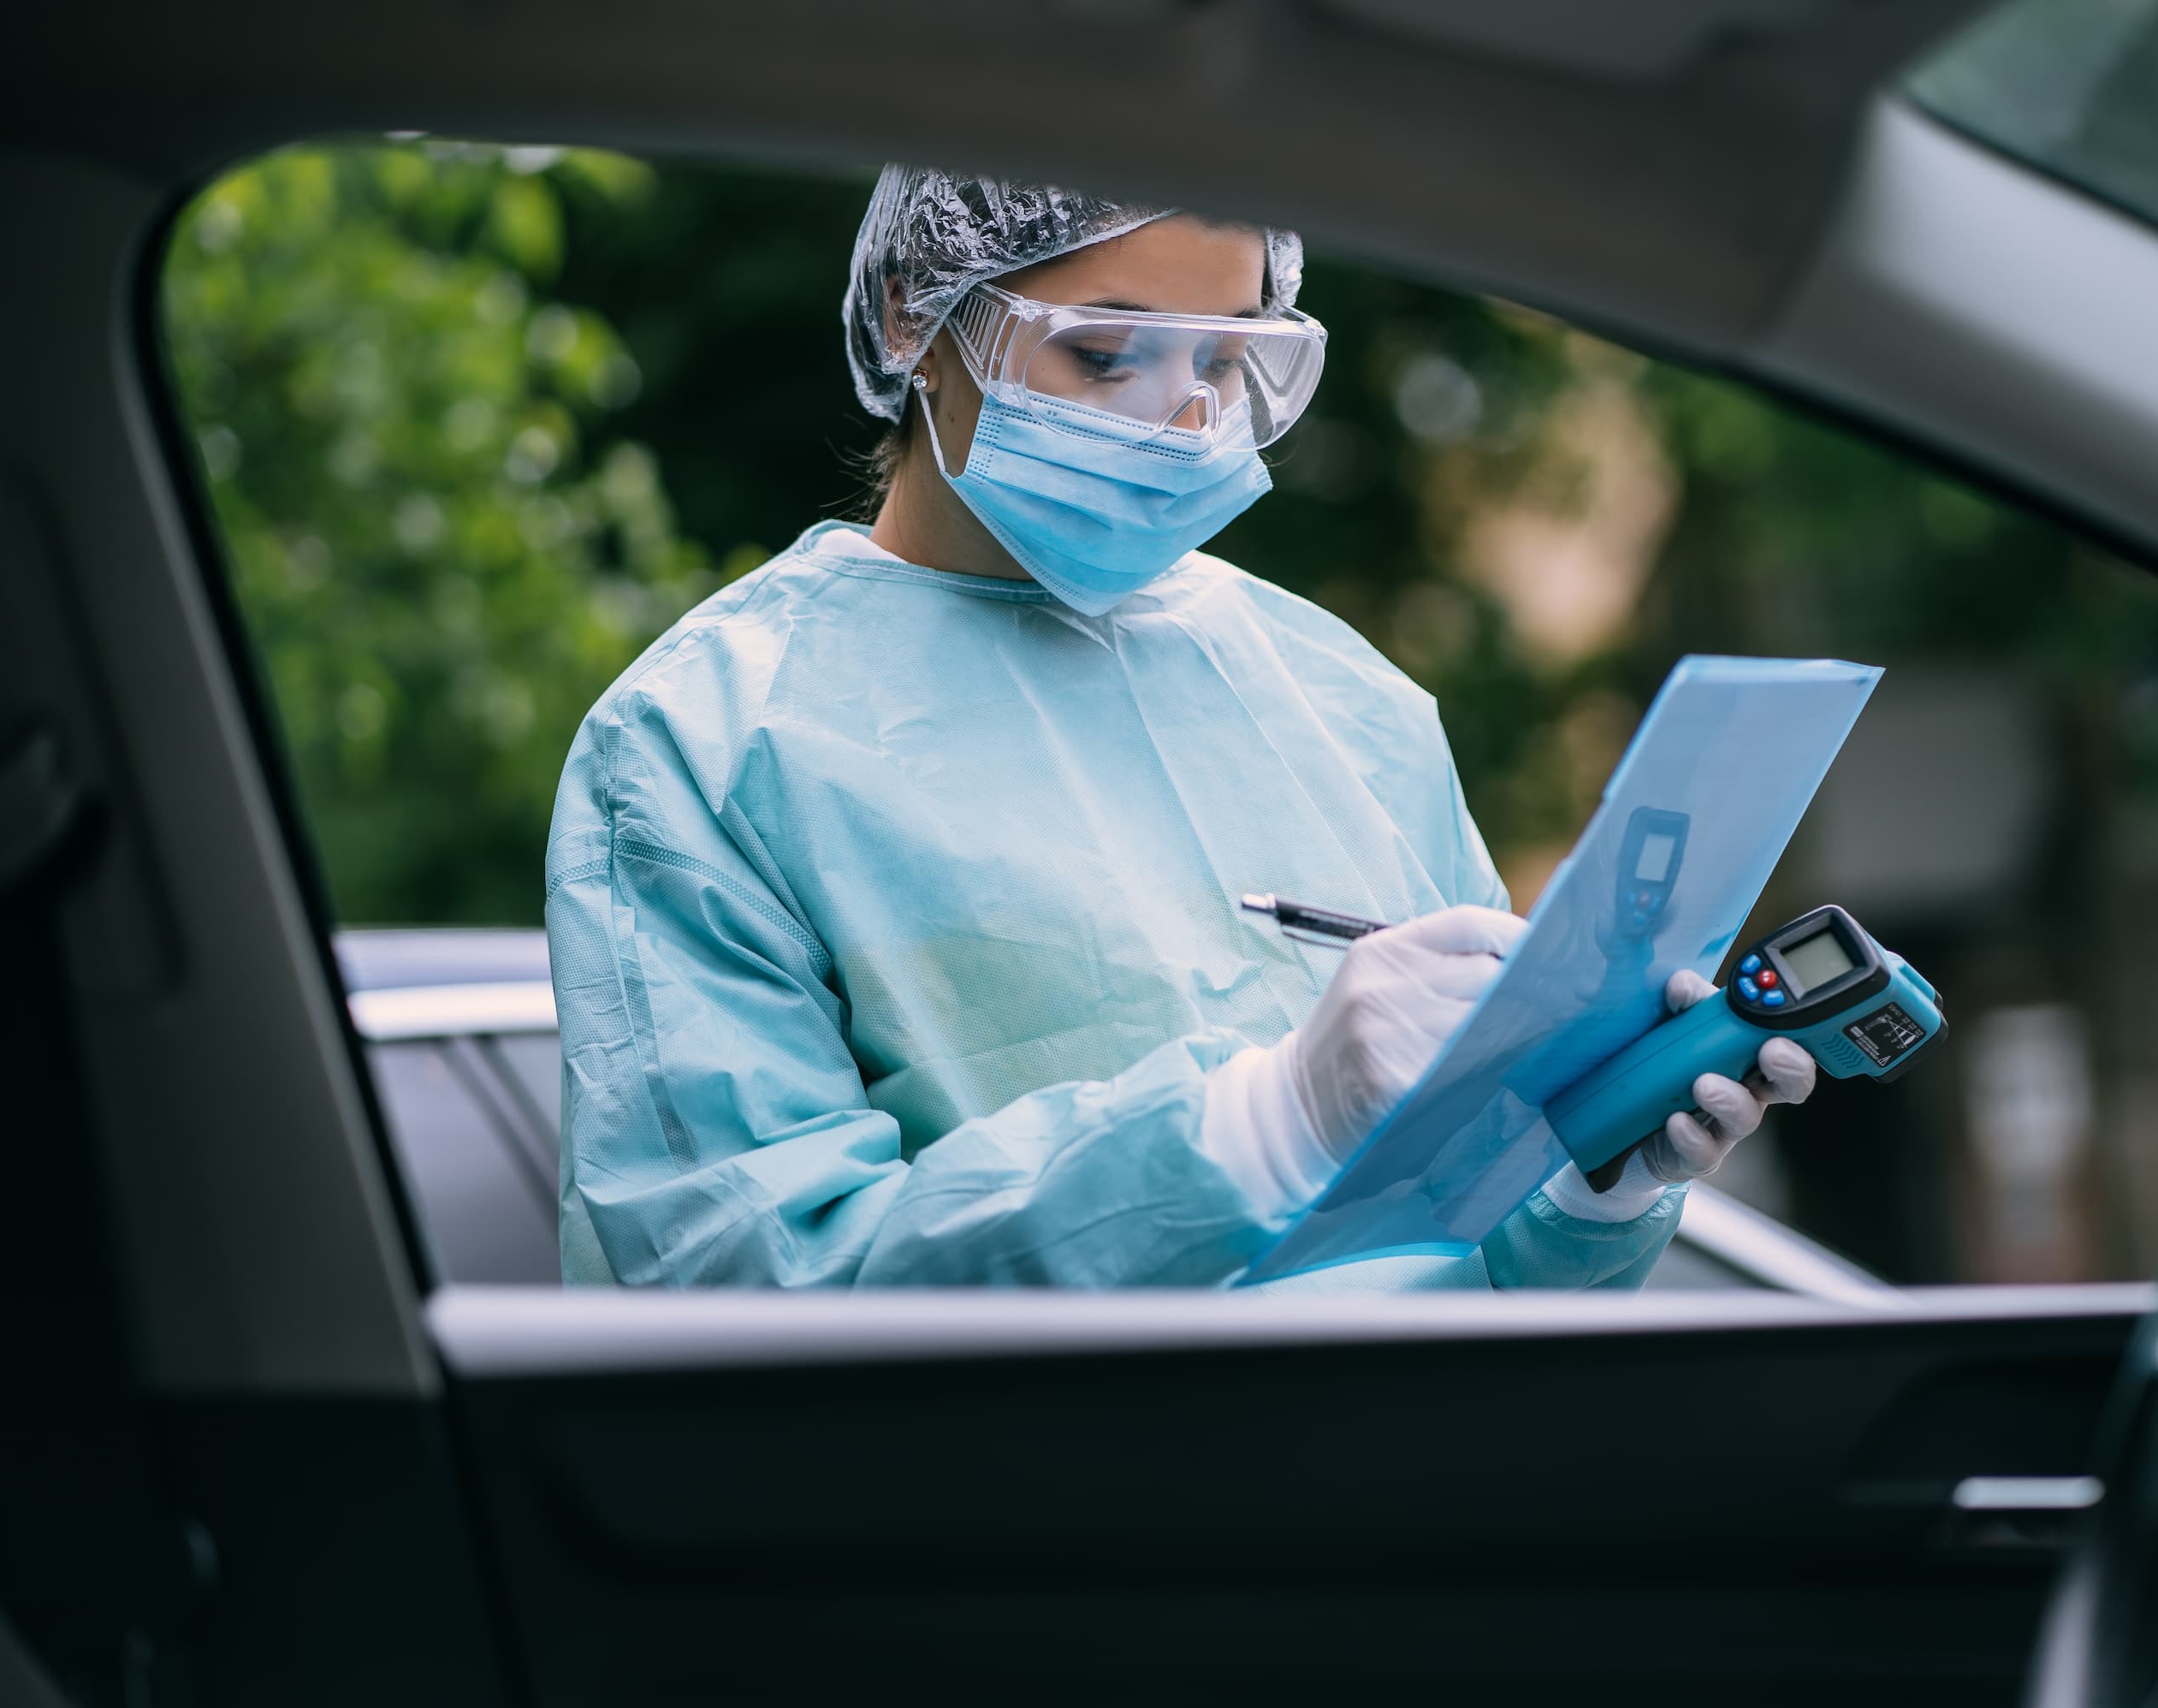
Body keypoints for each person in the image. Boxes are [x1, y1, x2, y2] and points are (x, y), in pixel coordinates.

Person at [545, 167, 1818, 1289]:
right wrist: (1269, 1122)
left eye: (1223, 363)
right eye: (1108, 356)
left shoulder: (1343, 701)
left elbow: (1467, 1265)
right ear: (914, 318)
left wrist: (1590, 1180)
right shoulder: (703, 744)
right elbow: (745, 1302)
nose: (1178, 419)